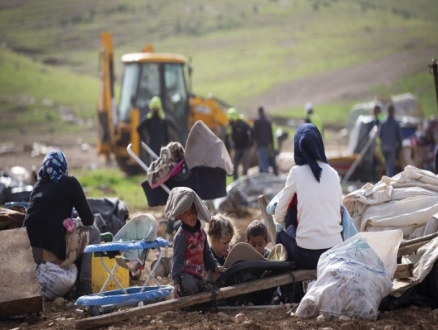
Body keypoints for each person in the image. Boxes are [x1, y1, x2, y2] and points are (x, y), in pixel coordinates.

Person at [23, 150, 101, 297]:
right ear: (63, 166)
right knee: (95, 233)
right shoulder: (70, 182)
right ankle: (84, 286)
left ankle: (70, 289)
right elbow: (88, 220)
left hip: (29, 256)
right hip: (48, 257)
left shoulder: (37, 186)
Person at [274, 123, 343, 269]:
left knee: (279, 234)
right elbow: (339, 213)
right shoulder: (333, 173)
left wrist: (294, 227)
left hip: (307, 256)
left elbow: (279, 215)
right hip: (335, 251)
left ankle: (289, 290)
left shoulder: (296, 173)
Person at [165, 187, 222, 298]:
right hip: (185, 276)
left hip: (199, 275)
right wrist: (176, 282)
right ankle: (180, 293)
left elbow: (207, 253)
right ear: (179, 216)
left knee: (213, 284)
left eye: (193, 211)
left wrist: (215, 266)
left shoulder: (201, 232)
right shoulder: (181, 236)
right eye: (187, 213)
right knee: (191, 287)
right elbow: (177, 260)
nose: (191, 216)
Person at [226, 108, 254, 180]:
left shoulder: (243, 124)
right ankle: (235, 185)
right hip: (237, 148)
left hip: (245, 148)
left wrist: (251, 145)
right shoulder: (230, 127)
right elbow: (228, 136)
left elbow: (251, 133)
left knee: (245, 169)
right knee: (234, 168)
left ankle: (245, 185)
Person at [378, 104, 402, 177]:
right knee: (390, 166)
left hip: (384, 148)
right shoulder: (395, 123)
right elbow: (399, 137)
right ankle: (389, 183)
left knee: (388, 165)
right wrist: (400, 147)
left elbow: (379, 136)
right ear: (392, 111)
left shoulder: (383, 123)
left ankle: (391, 180)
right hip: (391, 148)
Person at [253, 106, 274, 173]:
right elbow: (271, 135)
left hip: (260, 144)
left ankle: (267, 178)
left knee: (263, 162)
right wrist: (272, 147)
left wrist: (254, 145)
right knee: (261, 161)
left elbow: (255, 134)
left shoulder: (257, 121)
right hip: (267, 144)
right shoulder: (268, 121)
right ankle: (261, 176)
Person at [371, 102, 383, 183]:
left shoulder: (380, 121)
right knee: (373, 164)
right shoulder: (374, 121)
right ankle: (373, 180)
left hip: (378, 146)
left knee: (379, 164)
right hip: (375, 146)